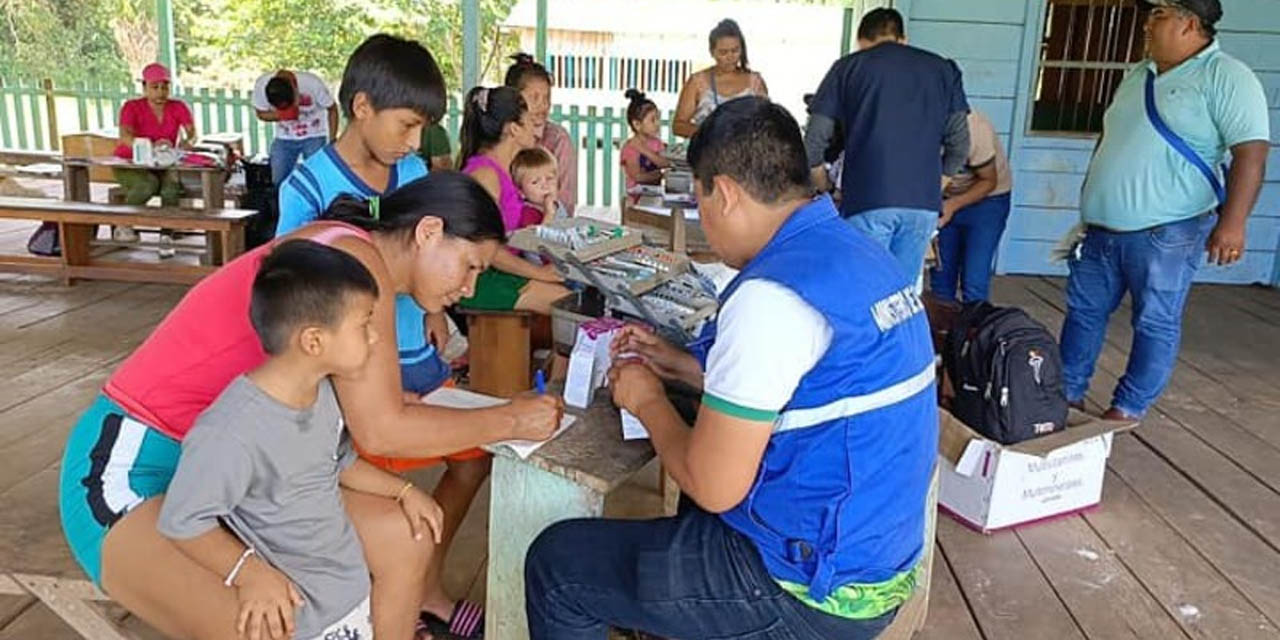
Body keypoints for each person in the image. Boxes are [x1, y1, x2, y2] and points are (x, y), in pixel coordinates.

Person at [58, 172, 563, 640]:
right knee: (269, 619)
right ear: (429, 231)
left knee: (404, 535)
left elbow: (352, 431)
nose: (469, 288)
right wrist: (511, 419)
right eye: (470, 265)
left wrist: (411, 470)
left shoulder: (351, 256)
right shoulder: (358, 267)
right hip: (136, 469)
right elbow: (382, 430)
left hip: (247, 473)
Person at [525, 97, 938, 640]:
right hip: (874, 553)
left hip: (810, 592)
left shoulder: (770, 296)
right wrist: (678, 366)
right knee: (697, 450)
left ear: (723, 193)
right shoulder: (856, 254)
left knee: (557, 567)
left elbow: (715, 486)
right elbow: (804, 388)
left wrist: (646, 400)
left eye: (699, 200)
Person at [157, 240, 445, 640]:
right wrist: (250, 574)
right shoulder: (232, 431)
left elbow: (338, 462)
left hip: (345, 596)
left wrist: (405, 490)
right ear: (314, 341)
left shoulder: (321, 392)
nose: (376, 339)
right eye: (365, 325)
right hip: (303, 617)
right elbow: (183, 520)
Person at [1060, 0, 1268, 422]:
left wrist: (1234, 224)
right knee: (1084, 313)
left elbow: (1251, 154)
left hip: (1168, 231)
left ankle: (1127, 407)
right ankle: (1066, 393)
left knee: (1154, 320)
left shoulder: (1226, 76)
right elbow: (1111, 139)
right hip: (1102, 228)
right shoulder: (1139, 75)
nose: (1146, 24)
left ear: (1190, 23)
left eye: (1158, 15)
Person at [804, 7, 970, 281]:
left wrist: (826, 188)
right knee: (901, 296)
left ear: (861, 41)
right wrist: (933, 187)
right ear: (902, 38)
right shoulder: (943, 69)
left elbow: (813, 144)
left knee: (865, 289)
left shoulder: (848, 67)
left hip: (867, 199)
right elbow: (960, 144)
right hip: (922, 206)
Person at [457, 86, 570, 316]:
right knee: (569, 304)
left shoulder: (508, 169)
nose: (536, 127)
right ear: (514, 129)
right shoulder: (485, 175)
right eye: (529, 121)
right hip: (480, 278)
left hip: (502, 268)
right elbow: (486, 249)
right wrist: (539, 274)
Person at [929, 109, 1013, 303]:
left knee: (974, 280)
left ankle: (972, 330)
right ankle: (942, 330)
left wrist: (951, 206)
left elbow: (988, 181)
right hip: (943, 197)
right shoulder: (913, 125)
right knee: (941, 280)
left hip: (988, 199)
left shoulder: (973, 128)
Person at [112, 62, 196, 252]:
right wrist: (148, 146)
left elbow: (192, 133)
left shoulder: (178, 107)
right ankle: (123, 223)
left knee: (171, 188)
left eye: (164, 87)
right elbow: (125, 136)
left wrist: (186, 143)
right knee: (147, 185)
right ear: (144, 87)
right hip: (130, 162)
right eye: (155, 87)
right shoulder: (131, 107)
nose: (160, 93)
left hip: (164, 162)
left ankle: (167, 235)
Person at [506, 53, 578, 214]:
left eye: (547, 98)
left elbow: (566, 200)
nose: (543, 105)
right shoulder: (502, 139)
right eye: (534, 98)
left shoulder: (558, 140)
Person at [672, 19, 768, 139]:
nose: (730, 57)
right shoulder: (697, 82)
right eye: (723, 52)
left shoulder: (755, 82)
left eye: (735, 51)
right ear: (712, 52)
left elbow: (767, 121)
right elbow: (678, 125)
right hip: (708, 154)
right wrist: (710, 134)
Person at [252, 69, 339, 186]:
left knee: (316, 178)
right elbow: (260, 113)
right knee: (278, 178)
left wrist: (332, 140)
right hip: (284, 137)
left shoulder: (312, 83)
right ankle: (281, 201)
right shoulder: (261, 85)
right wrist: (282, 115)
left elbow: (332, 109)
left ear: (295, 89)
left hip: (314, 134)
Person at [620, 88, 670, 191]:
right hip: (635, 198)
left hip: (655, 193)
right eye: (652, 120)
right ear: (637, 124)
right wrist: (659, 175)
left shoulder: (657, 143)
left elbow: (665, 163)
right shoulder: (630, 148)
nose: (657, 124)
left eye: (658, 118)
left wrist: (644, 150)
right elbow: (638, 177)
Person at [512, 146, 569, 225]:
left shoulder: (557, 204)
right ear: (521, 192)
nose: (545, 186)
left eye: (549, 178)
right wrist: (548, 215)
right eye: (535, 182)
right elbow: (534, 237)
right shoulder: (528, 213)